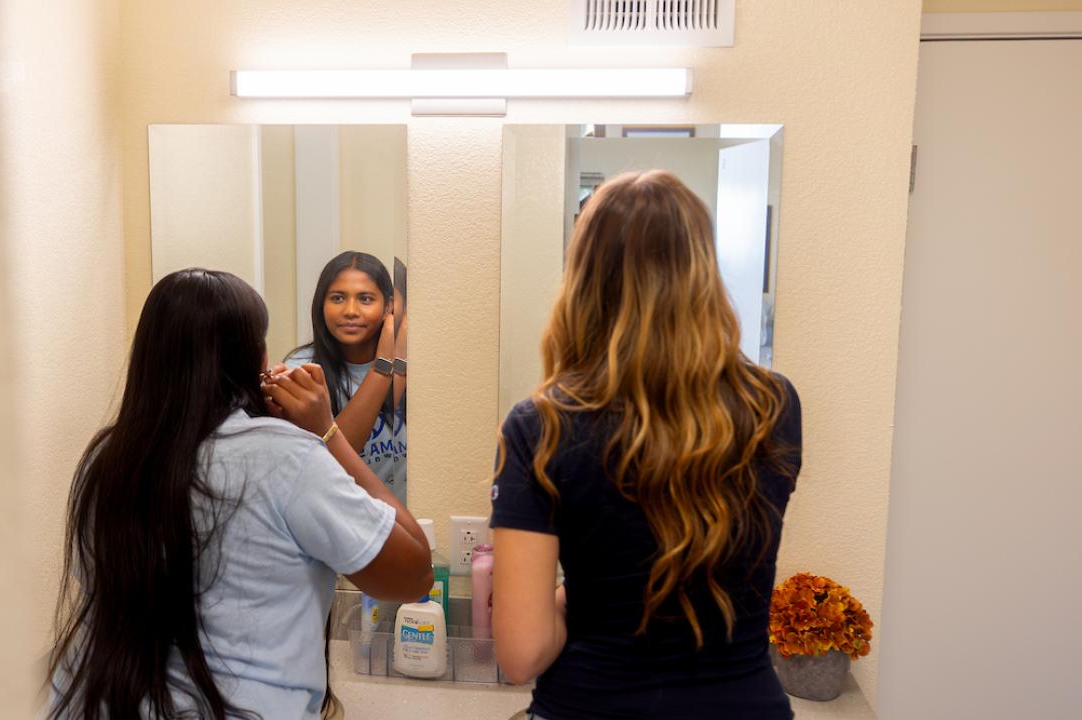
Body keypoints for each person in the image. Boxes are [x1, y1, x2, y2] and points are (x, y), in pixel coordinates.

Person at [46, 269, 432, 720]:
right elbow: (414, 573)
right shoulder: (285, 457)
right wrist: (327, 433)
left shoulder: (105, 459)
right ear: (255, 359)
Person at [490, 171, 802, 720]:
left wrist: (570, 599)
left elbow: (521, 653)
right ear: (703, 270)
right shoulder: (772, 407)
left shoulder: (541, 426)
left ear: (583, 276)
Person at [286, 251, 408, 503]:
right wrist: (383, 364)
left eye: (365, 299)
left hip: (406, 524)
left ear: (388, 307)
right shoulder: (302, 370)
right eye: (338, 298)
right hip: (339, 521)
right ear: (322, 304)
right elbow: (328, 463)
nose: (350, 311)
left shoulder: (421, 366)